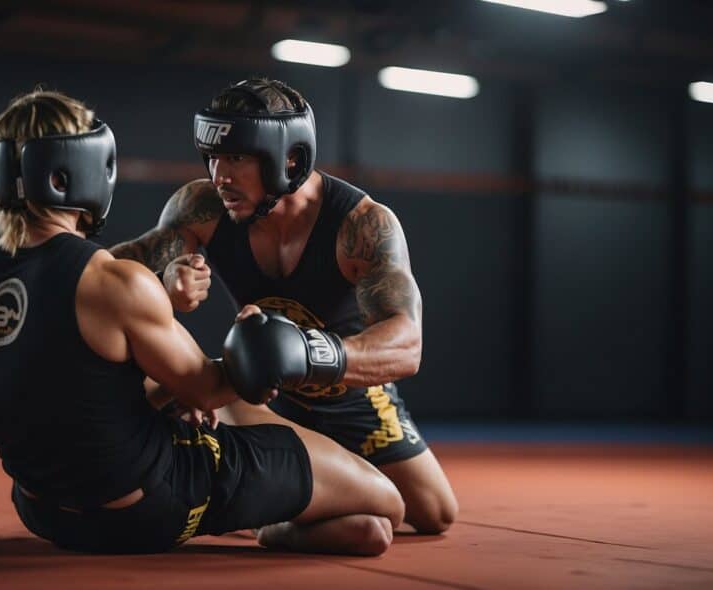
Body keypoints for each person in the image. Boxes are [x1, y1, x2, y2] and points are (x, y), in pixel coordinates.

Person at [0, 88, 406, 556]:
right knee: (385, 505)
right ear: (74, 169)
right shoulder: (112, 281)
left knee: (363, 531)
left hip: (43, 513)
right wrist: (272, 346)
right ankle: (272, 528)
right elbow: (211, 388)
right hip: (148, 509)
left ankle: (283, 521)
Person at [110, 77, 458, 534]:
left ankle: (272, 519)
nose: (220, 176)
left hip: (351, 398)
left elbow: (407, 344)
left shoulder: (361, 225)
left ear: (289, 158)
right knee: (191, 384)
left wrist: (307, 353)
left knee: (435, 513)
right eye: (213, 157)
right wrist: (160, 283)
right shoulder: (204, 207)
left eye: (236, 157)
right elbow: (104, 280)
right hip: (260, 394)